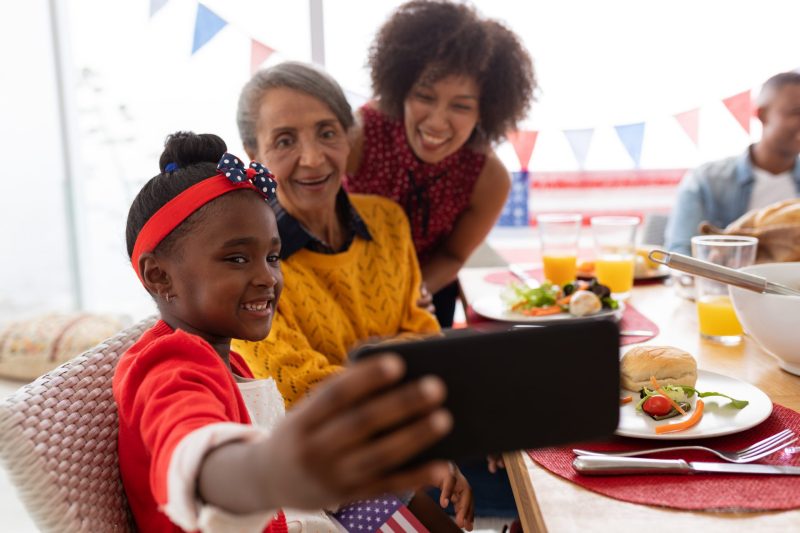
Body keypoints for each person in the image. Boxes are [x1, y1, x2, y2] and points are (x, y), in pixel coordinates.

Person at [115, 131, 462, 532]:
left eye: (272, 256)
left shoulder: (231, 359)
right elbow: (192, 452)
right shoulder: (169, 364)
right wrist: (266, 471)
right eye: (237, 258)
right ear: (159, 275)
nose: (267, 276)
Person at [234, 62, 473, 528]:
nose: (312, 158)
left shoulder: (386, 221)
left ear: (348, 136)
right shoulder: (252, 267)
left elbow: (428, 341)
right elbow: (300, 393)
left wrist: (371, 370)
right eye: (284, 141)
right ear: (253, 153)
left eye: (327, 133)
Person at [346, 0, 537, 327]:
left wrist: (411, 292)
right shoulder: (360, 133)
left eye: (460, 107)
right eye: (424, 97)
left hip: (428, 295)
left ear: (485, 111)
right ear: (401, 89)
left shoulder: (488, 178)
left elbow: (453, 255)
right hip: (343, 290)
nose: (436, 121)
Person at [665, 71, 800, 255]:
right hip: (725, 283)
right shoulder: (706, 181)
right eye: (797, 112)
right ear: (763, 115)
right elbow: (680, 254)